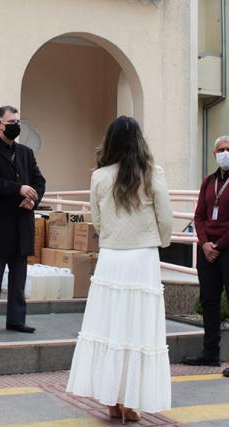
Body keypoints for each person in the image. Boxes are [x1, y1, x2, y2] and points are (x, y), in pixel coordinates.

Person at [66, 116, 174, 422]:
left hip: (112, 257)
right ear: (139, 140)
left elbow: (97, 220)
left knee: (109, 327)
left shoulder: (100, 176)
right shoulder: (153, 173)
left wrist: (112, 237)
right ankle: (130, 401)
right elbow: (165, 218)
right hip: (141, 258)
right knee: (137, 328)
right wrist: (160, 241)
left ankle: (111, 400)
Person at [184, 135, 229, 377]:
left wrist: (219, 245)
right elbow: (199, 216)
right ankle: (210, 353)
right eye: (220, 149)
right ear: (214, 153)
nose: (224, 153)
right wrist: (205, 243)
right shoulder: (208, 182)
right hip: (208, 251)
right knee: (209, 302)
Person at [0, 106, 46, 336]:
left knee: (19, 279)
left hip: (21, 224)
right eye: (11, 121)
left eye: (18, 120)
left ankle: (17, 320)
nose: (16, 125)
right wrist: (19, 189)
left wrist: (32, 200)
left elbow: (39, 180)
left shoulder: (26, 152)